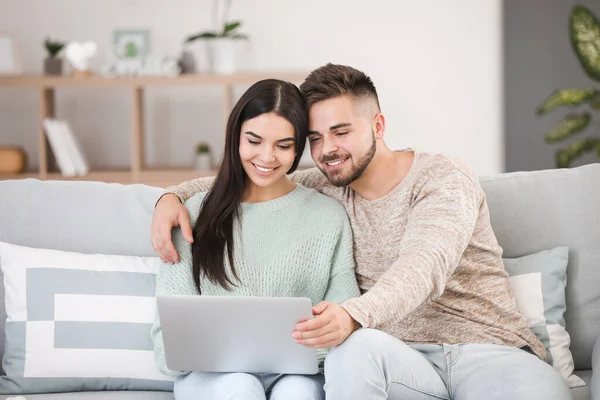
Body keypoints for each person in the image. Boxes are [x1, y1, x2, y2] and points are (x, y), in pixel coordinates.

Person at [151, 64, 573, 400]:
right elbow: (251, 176)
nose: (328, 150)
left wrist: (354, 314)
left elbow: (424, 264)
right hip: (396, 360)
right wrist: (170, 196)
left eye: (341, 131)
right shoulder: (325, 185)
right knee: (352, 350)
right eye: (315, 139)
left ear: (378, 125)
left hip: (489, 352)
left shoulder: (442, 177)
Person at [150, 78, 360, 400]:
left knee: (298, 393)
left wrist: (307, 349)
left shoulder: (329, 216)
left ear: (298, 147)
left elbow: (343, 324)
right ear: (236, 137)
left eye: (283, 145)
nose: (267, 157)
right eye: (254, 141)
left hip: (297, 374)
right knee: (239, 387)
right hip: (212, 377)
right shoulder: (190, 214)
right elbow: (167, 345)